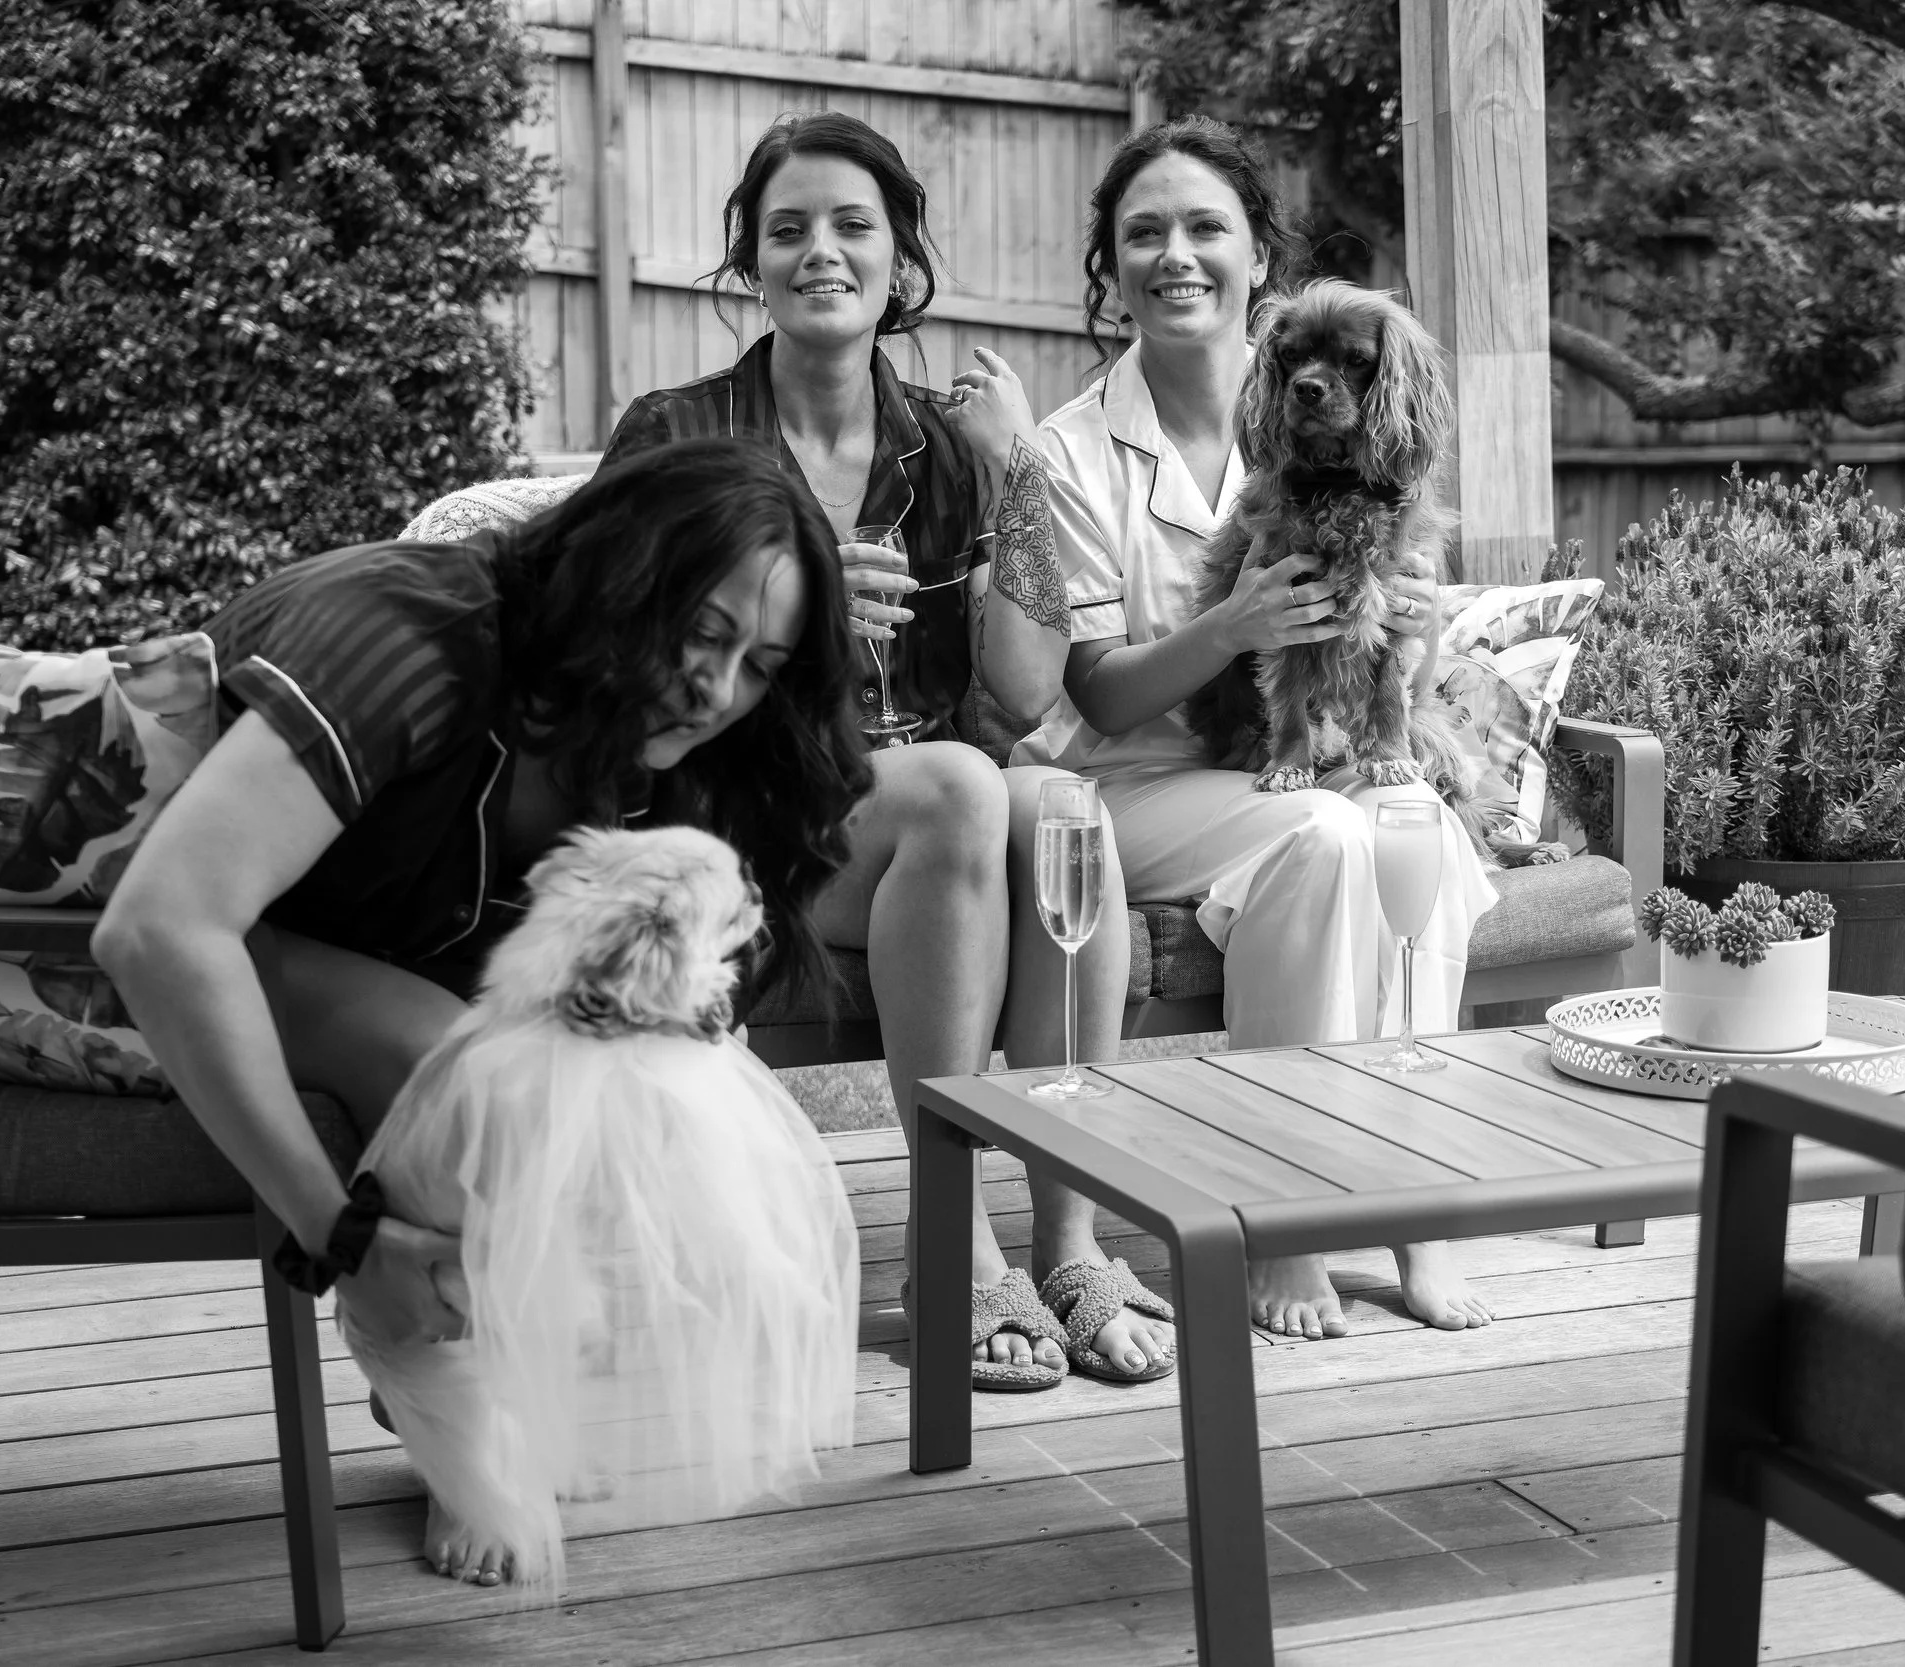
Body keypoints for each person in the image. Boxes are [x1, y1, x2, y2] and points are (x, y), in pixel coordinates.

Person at [415, 112, 1172, 1388]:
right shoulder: (679, 432)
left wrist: (1020, 470)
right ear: (750, 263)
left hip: (921, 836)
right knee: (961, 783)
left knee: (1061, 813)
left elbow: (1028, 683)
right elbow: (603, 664)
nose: (820, 251)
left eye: (851, 226)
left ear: (898, 257)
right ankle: (953, 1245)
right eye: (787, 230)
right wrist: (803, 610)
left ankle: (1065, 1237)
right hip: (728, 820)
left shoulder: (944, 443)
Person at [94, 440, 873, 1583]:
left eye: (760, 663)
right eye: (701, 632)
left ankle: (469, 1349)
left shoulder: (635, 725)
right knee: (460, 1063)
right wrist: (339, 1236)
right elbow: (156, 929)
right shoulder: (401, 640)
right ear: (617, 571)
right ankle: (431, 1383)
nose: (718, 691)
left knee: (614, 1083)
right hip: (96, 953)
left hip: (346, 948)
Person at [1019, 116, 1502, 1338]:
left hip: (1308, 761)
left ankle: (1410, 1209)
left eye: (1204, 229)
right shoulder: (1066, 452)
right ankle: (1278, 1223)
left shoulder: (1353, 408)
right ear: (1110, 268)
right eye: (1143, 234)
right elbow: (1098, 696)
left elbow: (1391, 645)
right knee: (1326, 844)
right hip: (1132, 782)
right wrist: (1235, 625)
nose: (1174, 255)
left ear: (1255, 257)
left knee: (1410, 828)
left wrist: (1409, 626)